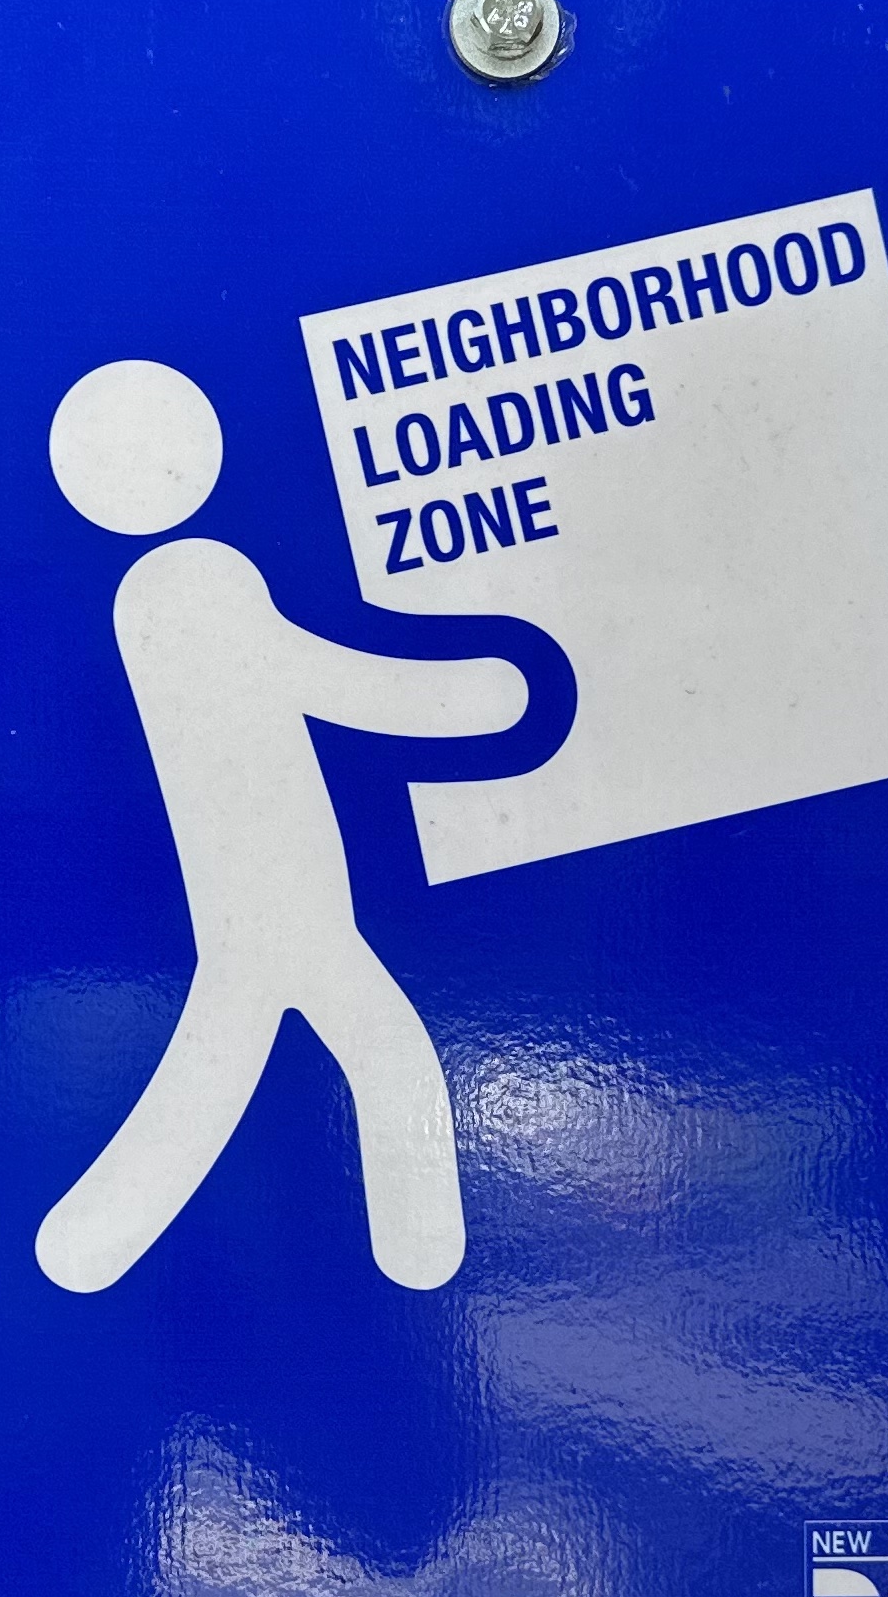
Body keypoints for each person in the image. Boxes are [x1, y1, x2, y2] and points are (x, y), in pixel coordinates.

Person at [35, 358, 529, 1293]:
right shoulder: (196, 586)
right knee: (376, 1064)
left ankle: (87, 1246)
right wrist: (477, 698)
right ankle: (414, 1257)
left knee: (277, 1070)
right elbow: (322, 679)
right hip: (278, 897)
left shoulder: (146, 595)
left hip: (263, 899)